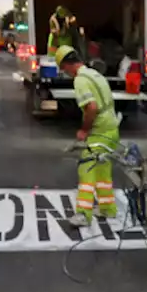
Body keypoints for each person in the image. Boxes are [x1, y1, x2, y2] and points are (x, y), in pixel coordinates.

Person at [56, 44, 119, 228]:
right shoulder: (94, 74)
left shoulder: (80, 80)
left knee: (87, 169)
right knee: (102, 169)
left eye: (62, 68)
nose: (64, 72)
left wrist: (84, 129)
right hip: (111, 128)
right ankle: (107, 209)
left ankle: (83, 214)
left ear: (67, 65)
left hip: (99, 131)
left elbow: (91, 107)